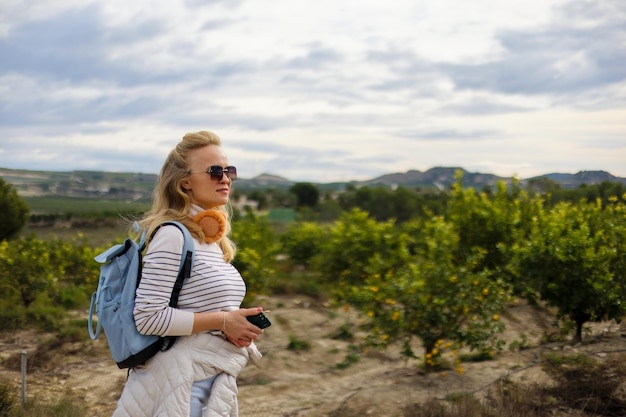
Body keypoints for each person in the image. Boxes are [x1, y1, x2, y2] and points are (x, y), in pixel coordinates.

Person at [113, 130, 265, 417]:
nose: (225, 178)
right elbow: (148, 318)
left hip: (208, 379)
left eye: (229, 170)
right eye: (214, 171)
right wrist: (222, 320)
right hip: (180, 385)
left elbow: (196, 309)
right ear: (185, 182)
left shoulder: (212, 240)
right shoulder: (173, 235)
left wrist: (231, 326)